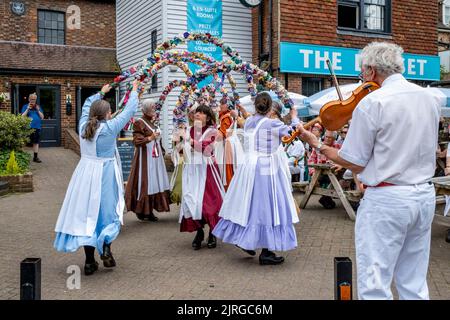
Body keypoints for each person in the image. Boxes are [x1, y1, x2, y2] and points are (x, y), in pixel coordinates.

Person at [297, 42, 444, 300]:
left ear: (372, 71)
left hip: (387, 199)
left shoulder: (373, 102)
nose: (361, 78)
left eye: (362, 72)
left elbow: (353, 161)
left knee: (375, 280)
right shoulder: (430, 98)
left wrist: (316, 144)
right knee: (414, 281)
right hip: (423, 194)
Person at [54, 80, 140, 276]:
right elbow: (130, 109)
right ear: (108, 114)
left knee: (86, 213)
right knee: (107, 212)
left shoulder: (84, 124)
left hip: (84, 173)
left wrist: (100, 92)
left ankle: (89, 261)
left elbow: (85, 106)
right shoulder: (110, 127)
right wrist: (134, 90)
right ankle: (107, 247)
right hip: (106, 173)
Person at [213, 92, 300, 265]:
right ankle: (266, 251)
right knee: (268, 206)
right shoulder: (273, 124)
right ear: (270, 108)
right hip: (265, 168)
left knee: (248, 203)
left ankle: (244, 238)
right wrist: (294, 117)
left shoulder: (250, 122)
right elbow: (293, 131)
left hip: (248, 167)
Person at [179, 103, 225, 250]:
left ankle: (212, 232)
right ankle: (199, 232)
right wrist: (181, 145)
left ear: (208, 117)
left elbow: (207, 148)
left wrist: (190, 142)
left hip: (207, 170)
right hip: (192, 170)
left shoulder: (214, 131)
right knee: (191, 201)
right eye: (196, 112)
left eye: (201, 112)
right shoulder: (190, 130)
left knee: (209, 203)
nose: (197, 114)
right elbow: (181, 149)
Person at [125, 99, 171, 221]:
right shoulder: (139, 122)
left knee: (155, 182)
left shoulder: (153, 122)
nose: (154, 110)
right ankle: (143, 210)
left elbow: (157, 139)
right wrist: (150, 137)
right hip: (145, 157)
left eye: (154, 107)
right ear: (145, 110)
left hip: (155, 157)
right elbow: (136, 140)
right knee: (146, 182)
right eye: (152, 108)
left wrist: (161, 148)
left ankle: (149, 209)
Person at [21, 93, 44, 163]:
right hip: (28, 127)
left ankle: (35, 157)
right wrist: (28, 109)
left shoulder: (38, 107)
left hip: (37, 127)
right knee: (24, 142)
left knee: (36, 142)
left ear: (36, 100)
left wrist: (38, 110)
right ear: (29, 99)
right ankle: (23, 157)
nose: (33, 101)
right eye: (31, 99)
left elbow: (42, 117)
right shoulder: (25, 106)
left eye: (34, 99)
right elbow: (22, 117)